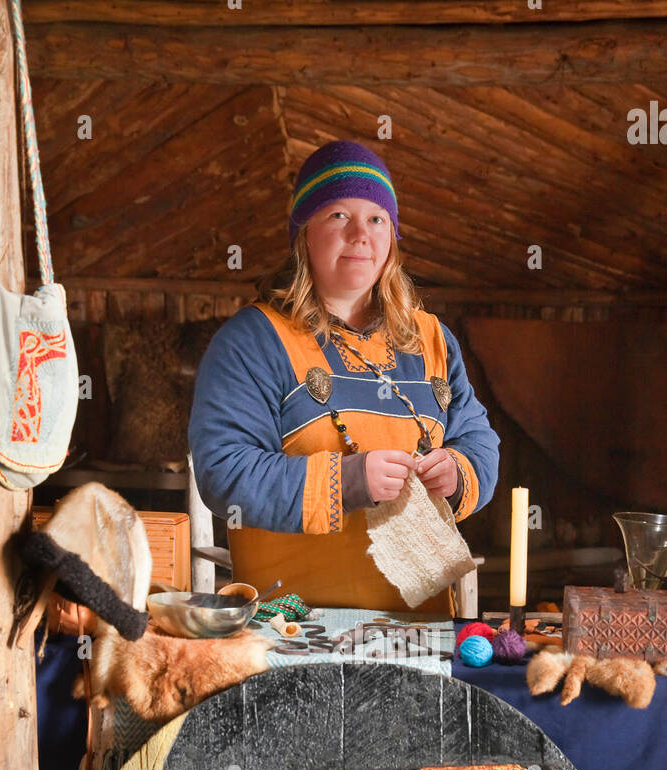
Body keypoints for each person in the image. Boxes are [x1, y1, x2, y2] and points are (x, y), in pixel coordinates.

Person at [188, 140, 499, 613]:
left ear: (391, 239)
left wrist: (458, 470)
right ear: (303, 234)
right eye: (338, 216)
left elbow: (479, 440)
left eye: (377, 219)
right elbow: (223, 471)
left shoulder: (432, 338)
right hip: (291, 632)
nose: (361, 234)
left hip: (418, 634)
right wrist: (347, 482)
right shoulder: (253, 340)